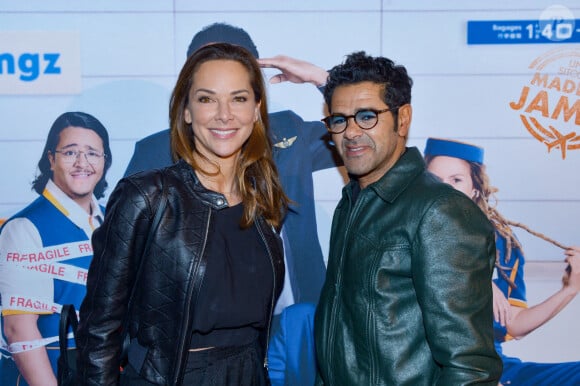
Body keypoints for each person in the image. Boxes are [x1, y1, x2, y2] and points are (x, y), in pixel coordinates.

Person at [76, 43, 290, 385]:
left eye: (238, 98)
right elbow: (100, 329)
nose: (224, 114)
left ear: (256, 109)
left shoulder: (262, 199)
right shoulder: (147, 197)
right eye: (207, 99)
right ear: (186, 111)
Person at [314, 51, 502, 385]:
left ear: (403, 119)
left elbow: (470, 368)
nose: (351, 132)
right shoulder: (351, 203)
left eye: (367, 116)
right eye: (340, 119)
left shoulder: (441, 212)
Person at [424, 137, 580, 385]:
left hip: (495, 367)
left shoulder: (503, 244)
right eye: (435, 180)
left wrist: (570, 289)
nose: (445, 189)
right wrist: (476, 276)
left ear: (474, 188)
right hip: (432, 365)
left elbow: (515, 324)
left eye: (456, 180)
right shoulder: (408, 233)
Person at [0, 112, 112, 386]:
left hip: (102, 367)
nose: (82, 163)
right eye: (70, 152)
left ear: (104, 162)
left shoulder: (111, 218)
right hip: (49, 371)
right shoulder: (25, 227)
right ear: (51, 159)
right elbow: (19, 329)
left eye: (93, 154)